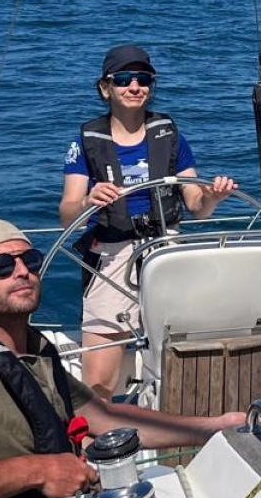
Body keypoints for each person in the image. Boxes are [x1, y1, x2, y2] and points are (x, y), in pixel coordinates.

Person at [0, 217, 249, 498]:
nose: (22, 272)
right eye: (2, 266)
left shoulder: (30, 351)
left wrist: (213, 427)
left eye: (30, 261)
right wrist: (40, 471)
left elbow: (105, 417)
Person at [59, 44, 237, 398]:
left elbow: (196, 206)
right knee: (98, 381)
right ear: (105, 88)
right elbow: (67, 215)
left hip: (165, 247)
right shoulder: (85, 144)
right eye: (123, 79)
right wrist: (88, 202)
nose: (134, 86)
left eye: (143, 79)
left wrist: (213, 197)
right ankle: (99, 427)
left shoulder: (170, 137)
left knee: (187, 355)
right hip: (112, 251)